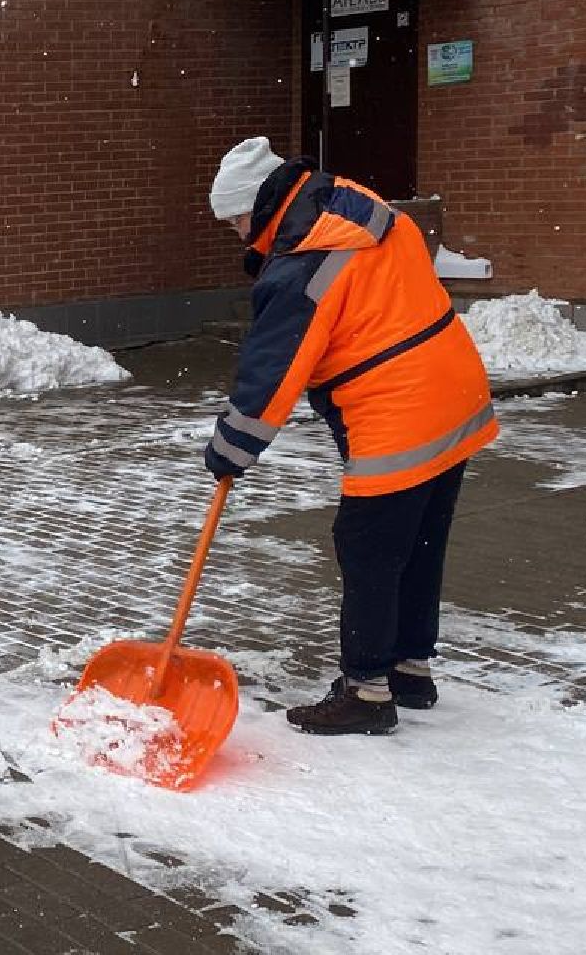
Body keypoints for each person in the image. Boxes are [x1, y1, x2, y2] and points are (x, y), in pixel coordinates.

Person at [203, 137, 498, 735]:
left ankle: (366, 693)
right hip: (453, 385)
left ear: (259, 206)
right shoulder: (354, 205)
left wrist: (232, 447)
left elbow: (274, 369)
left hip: (399, 408)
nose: (237, 233)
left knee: (367, 546)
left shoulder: (305, 264)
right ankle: (411, 670)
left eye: (235, 219)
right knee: (417, 540)